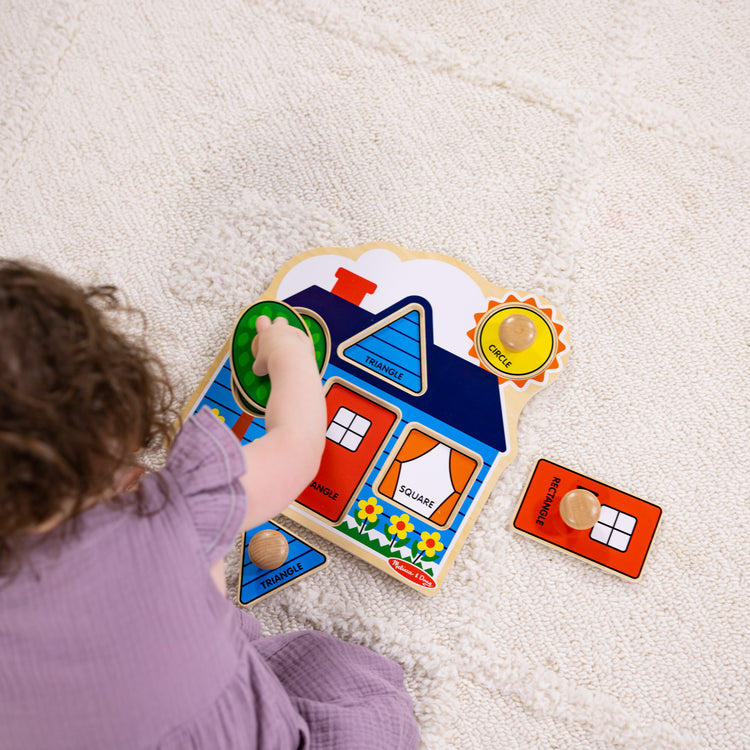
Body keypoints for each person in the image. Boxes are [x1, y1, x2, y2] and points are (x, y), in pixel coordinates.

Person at [0, 260, 420, 750]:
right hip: (250, 735)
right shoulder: (172, 516)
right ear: (110, 410)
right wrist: (290, 354)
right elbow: (299, 444)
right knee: (339, 673)